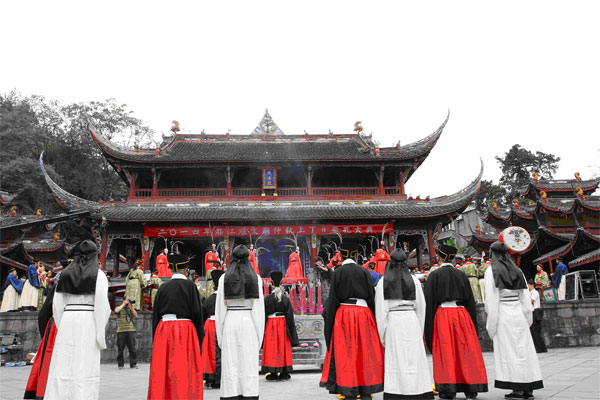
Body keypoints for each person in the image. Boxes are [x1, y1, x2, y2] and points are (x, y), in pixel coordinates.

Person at [44, 240, 111, 400]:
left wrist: (63, 326)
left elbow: (57, 306)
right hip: (88, 319)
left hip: (67, 318)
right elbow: (103, 307)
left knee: (63, 363)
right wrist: (99, 332)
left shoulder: (64, 274)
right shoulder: (99, 275)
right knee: (84, 364)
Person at [320, 242, 384, 399]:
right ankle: (366, 391)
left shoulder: (338, 272)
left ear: (340, 254)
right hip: (364, 314)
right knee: (365, 352)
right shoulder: (364, 272)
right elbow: (371, 296)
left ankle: (349, 391)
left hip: (344, 314)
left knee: (346, 353)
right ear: (355, 254)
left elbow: (333, 298)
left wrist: (329, 317)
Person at [424, 244, 488, 400]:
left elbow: (430, 302)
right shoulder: (461, 275)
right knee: (466, 352)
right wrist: (473, 324)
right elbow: (470, 301)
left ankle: (448, 389)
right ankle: (470, 388)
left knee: (446, 352)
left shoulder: (434, 275)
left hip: (443, 315)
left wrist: (428, 329)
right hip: (462, 314)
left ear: (439, 257)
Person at [485, 241, 543, 399]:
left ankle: (517, 386)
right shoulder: (518, 271)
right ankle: (529, 386)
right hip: (518, 313)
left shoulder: (492, 272)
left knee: (509, 352)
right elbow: (525, 298)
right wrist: (527, 318)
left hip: (503, 313)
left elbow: (491, 300)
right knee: (524, 350)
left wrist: (491, 326)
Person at [375, 249, 433, 399]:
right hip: (412, 319)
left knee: (396, 358)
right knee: (414, 358)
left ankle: (397, 392)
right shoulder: (414, 280)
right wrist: (419, 329)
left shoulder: (383, 282)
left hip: (394, 320)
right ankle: (418, 391)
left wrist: (383, 335)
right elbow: (421, 306)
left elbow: (381, 311)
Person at [148, 251, 204, 399]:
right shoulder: (190, 286)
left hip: (163, 329)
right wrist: (200, 339)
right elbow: (197, 314)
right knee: (184, 370)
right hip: (185, 330)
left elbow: (155, 316)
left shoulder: (162, 288)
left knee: (163, 370)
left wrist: (156, 338)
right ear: (186, 270)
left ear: (171, 269)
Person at [215, 244, 265, 399]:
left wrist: (220, 336)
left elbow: (219, 309)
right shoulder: (256, 278)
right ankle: (249, 393)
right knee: (248, 362)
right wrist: (259, 337)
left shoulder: (224, 278)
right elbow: (259, 310)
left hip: (230, 320)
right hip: (249, 321)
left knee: (231, 362)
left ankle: (231, 394)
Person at [262, 270, 299, 381]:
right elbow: (290, 317)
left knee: (272, 347)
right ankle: (284, 372)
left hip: (270, 324)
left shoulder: (267, 299)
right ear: (282, 282)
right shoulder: (285, 299)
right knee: (282, 347)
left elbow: (263, 315)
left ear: (271, 283)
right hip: (282, 325)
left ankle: (272, 372)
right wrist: (292, 334)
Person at [24, 284, 58, 400]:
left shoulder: (61, 279)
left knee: (47, 363)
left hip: (55, 328)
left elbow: (44, 313)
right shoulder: (96, 277)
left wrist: (45, 335)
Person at [201, 269, 225, 389]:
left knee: (210, 354)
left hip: (209, 326)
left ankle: (210, 378)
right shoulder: (226, 300)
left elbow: (202, 315)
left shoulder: (209, 300)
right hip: (222, 325)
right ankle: (221, 378)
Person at [114, 296, 138, 369]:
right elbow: (116, 311)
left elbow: (136, 316)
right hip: (121, 331)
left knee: (132, 348)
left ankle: (133, 364)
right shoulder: (119, 307)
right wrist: (123, 304)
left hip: (131, 331)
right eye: (128, 299)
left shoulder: (130, 309)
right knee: (120, 349)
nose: (129, 301)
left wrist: (132, 307)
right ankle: (120, 365)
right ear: (123, 300)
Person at [528, 279, 548, 353]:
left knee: (536, 331)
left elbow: (531, 301)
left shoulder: (535, 292)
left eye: (529, 285)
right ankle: (540, 347)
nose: (528, 286)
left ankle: (540, 348)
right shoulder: (529, 292)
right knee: (533, 331)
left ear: (532, 285)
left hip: (535, 312)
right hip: (531, 312)